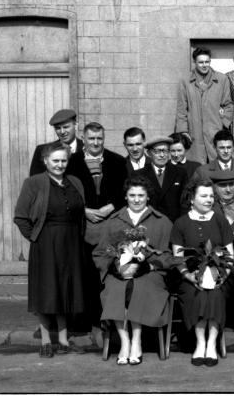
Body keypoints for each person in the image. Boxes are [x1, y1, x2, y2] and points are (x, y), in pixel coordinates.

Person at [14, 142, 87, 358]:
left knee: (65, 290)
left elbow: (81, 215)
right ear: (45, 161)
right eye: (55, 160)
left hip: (71, 243)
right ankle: (46, 340)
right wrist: (36, 237)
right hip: (45, 244)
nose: (60, 164)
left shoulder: (75, 182)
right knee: (46, 291)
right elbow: (20, 217)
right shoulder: (33, 183)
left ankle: (64, 340)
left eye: (64, 160)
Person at [91, 176, 174, 365]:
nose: (136, 199)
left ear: (148, 197)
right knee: (116, 288)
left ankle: (137, 340)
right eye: (132, 195)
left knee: (141, 287)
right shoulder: (114, 221)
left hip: (150, 274)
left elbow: (169, 257)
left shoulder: (161, 221)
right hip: (119, 273)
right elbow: (100, 253)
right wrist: (115, 266)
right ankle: (124, 341)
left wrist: (149, 265)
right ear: (126, 197)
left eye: (141, 195)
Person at [171, 179, 234, 367]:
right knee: (196, 294)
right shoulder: (181, 223)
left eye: (211, 196)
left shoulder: (220, 220)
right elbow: (178, 256)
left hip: (220, 274)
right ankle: (200, 343)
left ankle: (212, 344)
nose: (209, 200)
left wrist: (222, 275)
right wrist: (189, 276)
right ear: (192, 198)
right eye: (203, 196)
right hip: (189, 276)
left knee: (215, 293)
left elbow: (230, 253)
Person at [78, 122, 128, 336]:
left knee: (107, 273)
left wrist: (110, 206)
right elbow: (69, 192)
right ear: (84, 138)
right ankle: (88, 322)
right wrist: (84, 210)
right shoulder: (72, 163)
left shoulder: (116, 161)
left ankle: (107, 321)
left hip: (109, 226)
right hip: (83, 227)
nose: (96, 143)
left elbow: (124, 190)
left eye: (99, 139)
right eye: (91, 139)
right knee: (86, 274)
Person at [176, 46, 234, 164]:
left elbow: (228, 105)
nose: (204, 65)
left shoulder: (222, 79)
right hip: (194, 132)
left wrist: (222, 123)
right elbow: (182, 109)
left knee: (218, 165)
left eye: (207, 62)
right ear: (194, 62)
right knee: (196, 167)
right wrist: (183, 131)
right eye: (201, 62)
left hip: (215, 130)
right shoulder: (185, 81)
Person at [191, 129, 234, 204]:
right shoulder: (202, 172)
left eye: (229, 147)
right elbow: (192, 196)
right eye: (222, 148)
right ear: (215, 148)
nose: (226, 151)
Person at [132, 136, 187, 223]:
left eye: (165, 151)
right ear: (149, 153)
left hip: (174, 223)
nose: (162, 155)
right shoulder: (139, 174)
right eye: (157, 151)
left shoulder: (180, 172)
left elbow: (185, 201)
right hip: (148, 222)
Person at [29, 109, 84, 176]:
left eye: (66, 127)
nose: (62, 132)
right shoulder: (41, 151)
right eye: (58, 128)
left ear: (76, 125)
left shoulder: (88, 149)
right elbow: (34, 181)